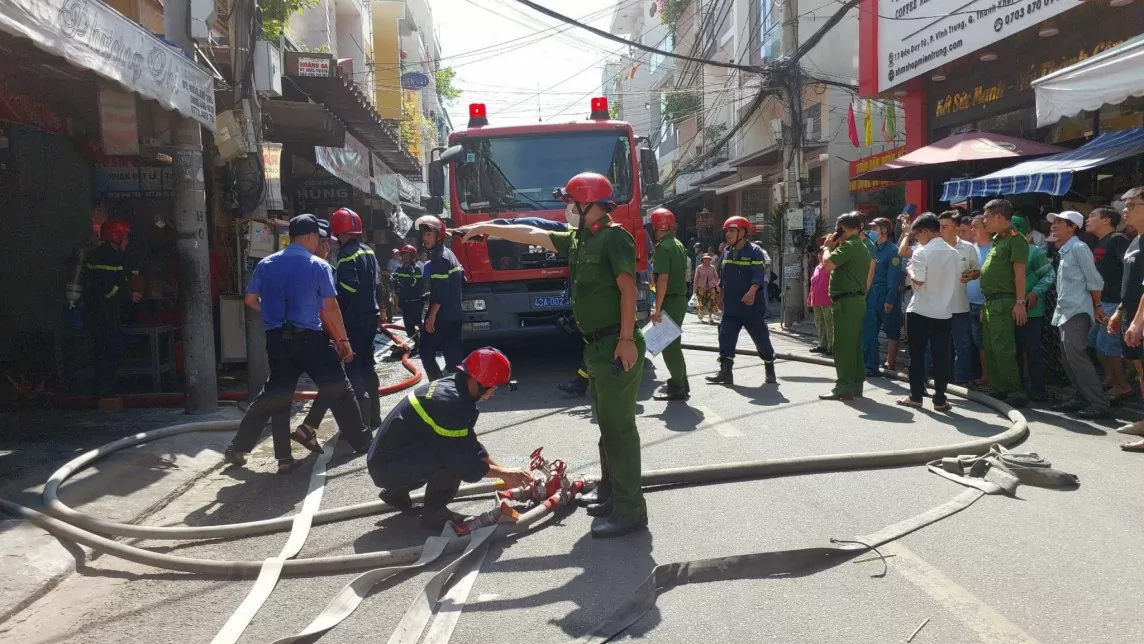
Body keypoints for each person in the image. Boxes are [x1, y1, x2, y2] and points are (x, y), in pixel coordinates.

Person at [457, 172, 647, 538]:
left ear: (588, 203)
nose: (566, 209)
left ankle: (631, 511)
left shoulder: (614, 238)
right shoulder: (579, 240)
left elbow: (627, 290)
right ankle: (612, 495)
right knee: (607, 427)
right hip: (595, 345)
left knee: (619, 429)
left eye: (570, 202)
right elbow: (531, 234)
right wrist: (486, 226)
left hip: (614, 343)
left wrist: (626, 339)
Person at [224, 214, 371, 474]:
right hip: (309, 337)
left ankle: (265, 454)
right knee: (337, 382)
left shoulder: (266, 264)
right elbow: (330, 307)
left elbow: (249, 300)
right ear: (311, 237)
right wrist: (343, 340)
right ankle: (341, 435)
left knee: (276, 395)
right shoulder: (318, 265)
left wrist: (271, 314)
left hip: (276, 339)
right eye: (319, 239)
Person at [367, 347, 533, 530]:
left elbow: (468, 442)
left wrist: (504, 473)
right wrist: (505, 474)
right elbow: (463, 461)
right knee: (449, 460)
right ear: (477, 380)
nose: (493, 392)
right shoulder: (452, 403)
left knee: (446, 450)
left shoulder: (455, 388)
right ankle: (435, 515)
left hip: (388, 460)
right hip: (386, 467)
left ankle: (396, 494)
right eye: (492, 387)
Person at [297, 209, 383, 437]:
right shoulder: (368, 251)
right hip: (370, 316)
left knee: (353, 369)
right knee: (368, 366)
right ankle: (375, 416)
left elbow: (347, 288)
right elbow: (376, 284)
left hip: (354, 319)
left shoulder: (346, 255)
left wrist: (332, 306)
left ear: (337, 232)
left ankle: (360, 424)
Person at [1047, 211, 1109, 418]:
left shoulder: (1079, 248)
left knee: (1077, 357)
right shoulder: (1065, 249)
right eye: (1053, 223)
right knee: (1068, 358)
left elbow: (1094, 280)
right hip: (1065, 311)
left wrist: (1098, 305)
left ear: (1072, 226)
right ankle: (1079, 397)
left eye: (1059, 223)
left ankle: (1098, 403)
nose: (1054, 226)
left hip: (1077, 311)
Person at [897, 213, 961, 410]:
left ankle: (916, 397)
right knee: (942, 357)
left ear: (925, 231)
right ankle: (940, 399)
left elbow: (919, 280)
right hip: (944, 311)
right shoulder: (954, 253)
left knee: (916, 356)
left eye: (916, 235)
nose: (916, 239)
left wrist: (910, 270)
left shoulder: (921, 253)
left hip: (921, 310)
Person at [705, 216, 778, 386]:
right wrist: (719, 295)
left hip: (751, 307)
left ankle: (769, 367)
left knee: (761, 338)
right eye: (727, 231)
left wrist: (752, 291)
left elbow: (758, 275)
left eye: (732, 230)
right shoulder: (726, 252)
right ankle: (726, 372)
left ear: (743, 232)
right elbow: (722, 277)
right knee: (725, 337)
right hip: (731, 307)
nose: (728, 234)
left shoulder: (755, 251)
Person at [81, 218, 143, 399]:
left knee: (109, 350)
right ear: (116, 237)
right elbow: (106, 287)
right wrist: (128, 295)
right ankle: (103, 393)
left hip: (106, 313)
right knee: (106, 351)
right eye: (125, 238)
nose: (127, 241)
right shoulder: (106, 256)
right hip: (101, 314)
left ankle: (105, 391)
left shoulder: (110, 255)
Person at [977, 199, 1029, 407]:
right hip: (990, 302)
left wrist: (1019, 302)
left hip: (1004, 301)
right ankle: (999, 388)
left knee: (1003, 348)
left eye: (987, 216)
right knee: (990, 347)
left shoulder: (1016, 240)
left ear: (999, 217)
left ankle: (1015, 391)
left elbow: (1019, 273)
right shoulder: (999, 239)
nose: (984, 220)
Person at [820, 212, 871, 400]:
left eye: (837, 228)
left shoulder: (850, 246)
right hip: (854, 300)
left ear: (842, 228)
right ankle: (855, 383)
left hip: (846, 301)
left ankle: (843, 385)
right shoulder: (860, 246)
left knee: (842, 345)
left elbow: (827, 264)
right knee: (853, 345)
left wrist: (827, 247)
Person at [1109, 188, 1144, 450]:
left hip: (1140, 319)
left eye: (1132, 205)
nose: (1125, 209)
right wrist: (1121, 311)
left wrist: (1138, 321)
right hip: (1131, 315)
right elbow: (1130, 284)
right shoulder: (1135, 240)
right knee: (1140, 371)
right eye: (1125, 204)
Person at [1086, 207, 1133, 401]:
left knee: (1107, 346)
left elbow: (1129, 269)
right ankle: (1111, 379)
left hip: (1114, 302)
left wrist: (1123, 304)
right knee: (1096, 344)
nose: (1087, 219)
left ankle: (1123, 385)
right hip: (1100, 302)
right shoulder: (1100, 242)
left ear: (1106, 221)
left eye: (1092, 216)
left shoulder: (1117, 240)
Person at [1010, 215, 1056, 402]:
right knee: (1013, 351)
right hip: (1008, 308)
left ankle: (1038, 390)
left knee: (1032, 351)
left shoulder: (1034, 252)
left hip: (1032, 310)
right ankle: (1017, 388)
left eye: (1015, 228)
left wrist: (1036, 292)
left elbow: (1049, 274)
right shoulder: (1003, 250)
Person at [648, 207, 690, 401]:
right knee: (675, 342)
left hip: (671, 299)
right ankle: (682, 381)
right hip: (679, 297)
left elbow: (662, 279)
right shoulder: (677, 244)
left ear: (658, 226)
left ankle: (678, 386)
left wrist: (657, 308)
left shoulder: (663, 247)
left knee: (669, 345)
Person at [417, 215, 465, 382]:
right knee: (453, 358)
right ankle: (456, 390)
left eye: (429, 234)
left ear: (439, 235)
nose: (425, 238)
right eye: (423, 234)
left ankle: (436, 387)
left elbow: (442, 291)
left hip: (442, 316)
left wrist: (431, 316)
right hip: (455, 314)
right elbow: (461, 280)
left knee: (425, 351)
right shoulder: (450, 254)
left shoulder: (438, 257)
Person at [937, 210, 981, 386]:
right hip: (937, 308)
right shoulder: (934, 248)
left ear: (956, 228)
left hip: (960, 306)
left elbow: (976, 271)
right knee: (938, 346)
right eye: (939, 226)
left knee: (962, 347)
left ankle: (961, 383)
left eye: (945, 227)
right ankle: (939, 381)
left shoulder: (969, 248)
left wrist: (971, 275)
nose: (940, 230)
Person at [862, 217, 902, 376]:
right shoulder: (871, 249)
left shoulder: (893, 250)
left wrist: (890, 299)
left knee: (892, 329)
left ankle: (890, 362)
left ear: (884, 231)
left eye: (875, 229)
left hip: (886, 294)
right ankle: (870, 364)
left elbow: (894, 277)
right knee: (870, 330)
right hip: (872, 295)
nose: (871, 232)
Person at [392, 244, 424, 354]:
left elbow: (418, 285)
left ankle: (424, 344)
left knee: (419, 324)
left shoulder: (416, 269)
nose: (405, 256)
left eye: (407, 254)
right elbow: (394, 281)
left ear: (412, 256)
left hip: (415, 302)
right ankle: (417, 342)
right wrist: (394, 282)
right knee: (409, 327)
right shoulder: (399, 269)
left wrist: (409, 280)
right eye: (404, 254)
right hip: (405, 302)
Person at [808, 248, 833, 354]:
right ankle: (822, 344)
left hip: (827, 300)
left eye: (822, 253)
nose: (819, 255)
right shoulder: (817, 268)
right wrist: (810, 299)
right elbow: (813, 285)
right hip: (816, 300)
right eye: (818, 253)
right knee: (819, 323)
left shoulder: (830, 267)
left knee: (829, 323)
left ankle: (831, 346)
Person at [693, 254, 719, 323]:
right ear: (703, 260)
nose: (707, 260)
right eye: (705, 259)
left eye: (708, 259)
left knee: (712, 301)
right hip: (701, 287)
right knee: (700, 303)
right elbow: (696, 279)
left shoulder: (712, 267)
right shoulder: (699, 267)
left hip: (711, 287)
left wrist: (718, 286)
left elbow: (716, 277)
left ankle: (710, 317)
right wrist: (694, 289)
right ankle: (700, 318)